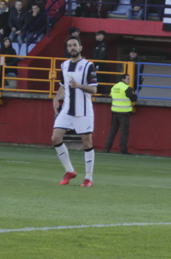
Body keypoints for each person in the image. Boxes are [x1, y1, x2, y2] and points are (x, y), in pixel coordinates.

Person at [51, 36, 98, 187]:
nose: (72, 48)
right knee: (55, 138)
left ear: (80, 47)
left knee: (86, 142)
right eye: (70, 45)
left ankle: (88, 178)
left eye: (75, 45)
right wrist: (56, 98)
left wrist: (79, 86)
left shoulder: (88, 65)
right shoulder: (64, 65)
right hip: (67, 109)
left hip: (83, 110)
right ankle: (70, 170)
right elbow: (63, 86)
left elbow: (94, 89)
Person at [105, 71, 137, 154]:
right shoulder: (127, 88)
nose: (129, 81)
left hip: (114, 112)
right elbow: (134, 98)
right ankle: (123, 150)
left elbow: (111, 96)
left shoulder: (114, 87)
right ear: (123, 79)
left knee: (112, 131)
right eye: (128, 79)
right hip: (124, 113)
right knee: (124, 132)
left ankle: (107, 148)